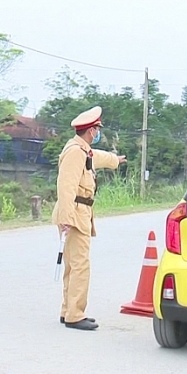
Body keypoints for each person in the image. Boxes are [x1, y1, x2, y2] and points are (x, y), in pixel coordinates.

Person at [52, 106, 126, 331]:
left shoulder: (83, 150)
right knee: (80, 266)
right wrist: (66, 218)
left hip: (78, 212)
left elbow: (98, 157)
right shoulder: (75, 152)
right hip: (74, 214)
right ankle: (75, 314)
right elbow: (66, 186)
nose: (98, 133)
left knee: (73, 266)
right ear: (91, 131)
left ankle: (68, 310)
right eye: (97, 129)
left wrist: (115, 160)